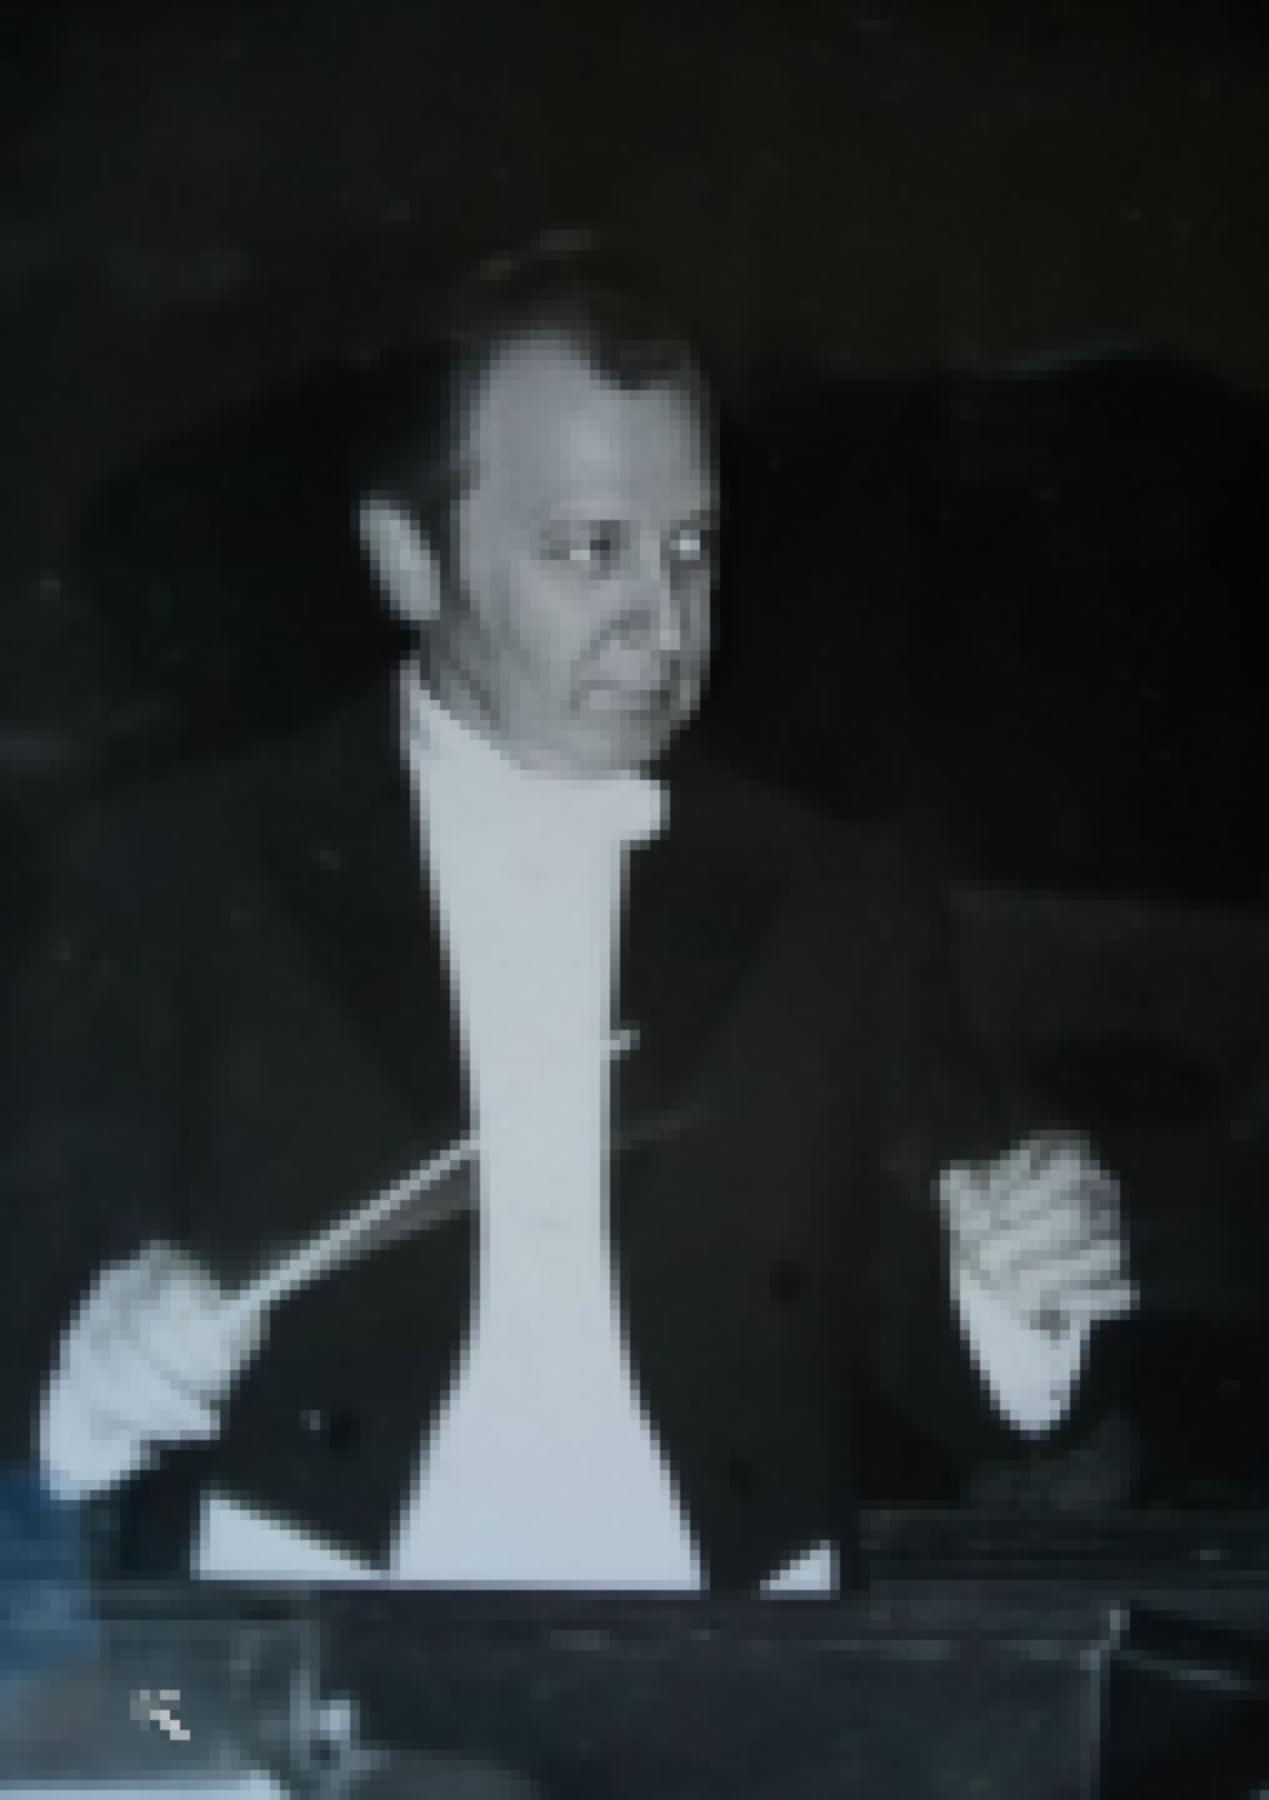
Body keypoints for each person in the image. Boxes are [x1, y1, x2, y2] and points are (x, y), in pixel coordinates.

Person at [8, 244, 1134, 1594]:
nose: (664, 623)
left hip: (730, 1651)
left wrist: (1021, 1283)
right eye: (591, 550)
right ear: (409, 563)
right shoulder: (177, 869)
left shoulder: (839, 897)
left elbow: (974, 1390)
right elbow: (33, 1302)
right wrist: (94, 1360)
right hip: (288, 1645)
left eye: (691, 547)